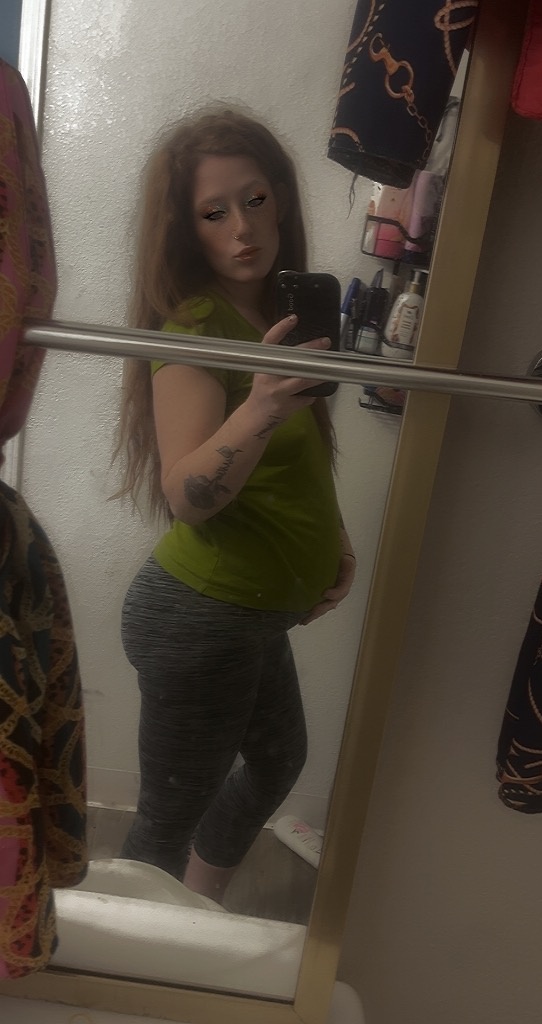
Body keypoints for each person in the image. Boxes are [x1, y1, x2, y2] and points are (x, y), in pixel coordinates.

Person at [114, 107, 356, 904]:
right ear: (187, 230)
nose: (242, 229)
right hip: (199, 619)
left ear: (279, 197)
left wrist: (335, 541)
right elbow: (187, 494)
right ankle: (124, 954)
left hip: (247, 615)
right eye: (214, 213)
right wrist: (257, 406)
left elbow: (297, 460)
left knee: (279, 761)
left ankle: (199, 904)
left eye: (254, 200)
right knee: (164, 822)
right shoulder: (196, 325)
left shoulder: (280, 313)